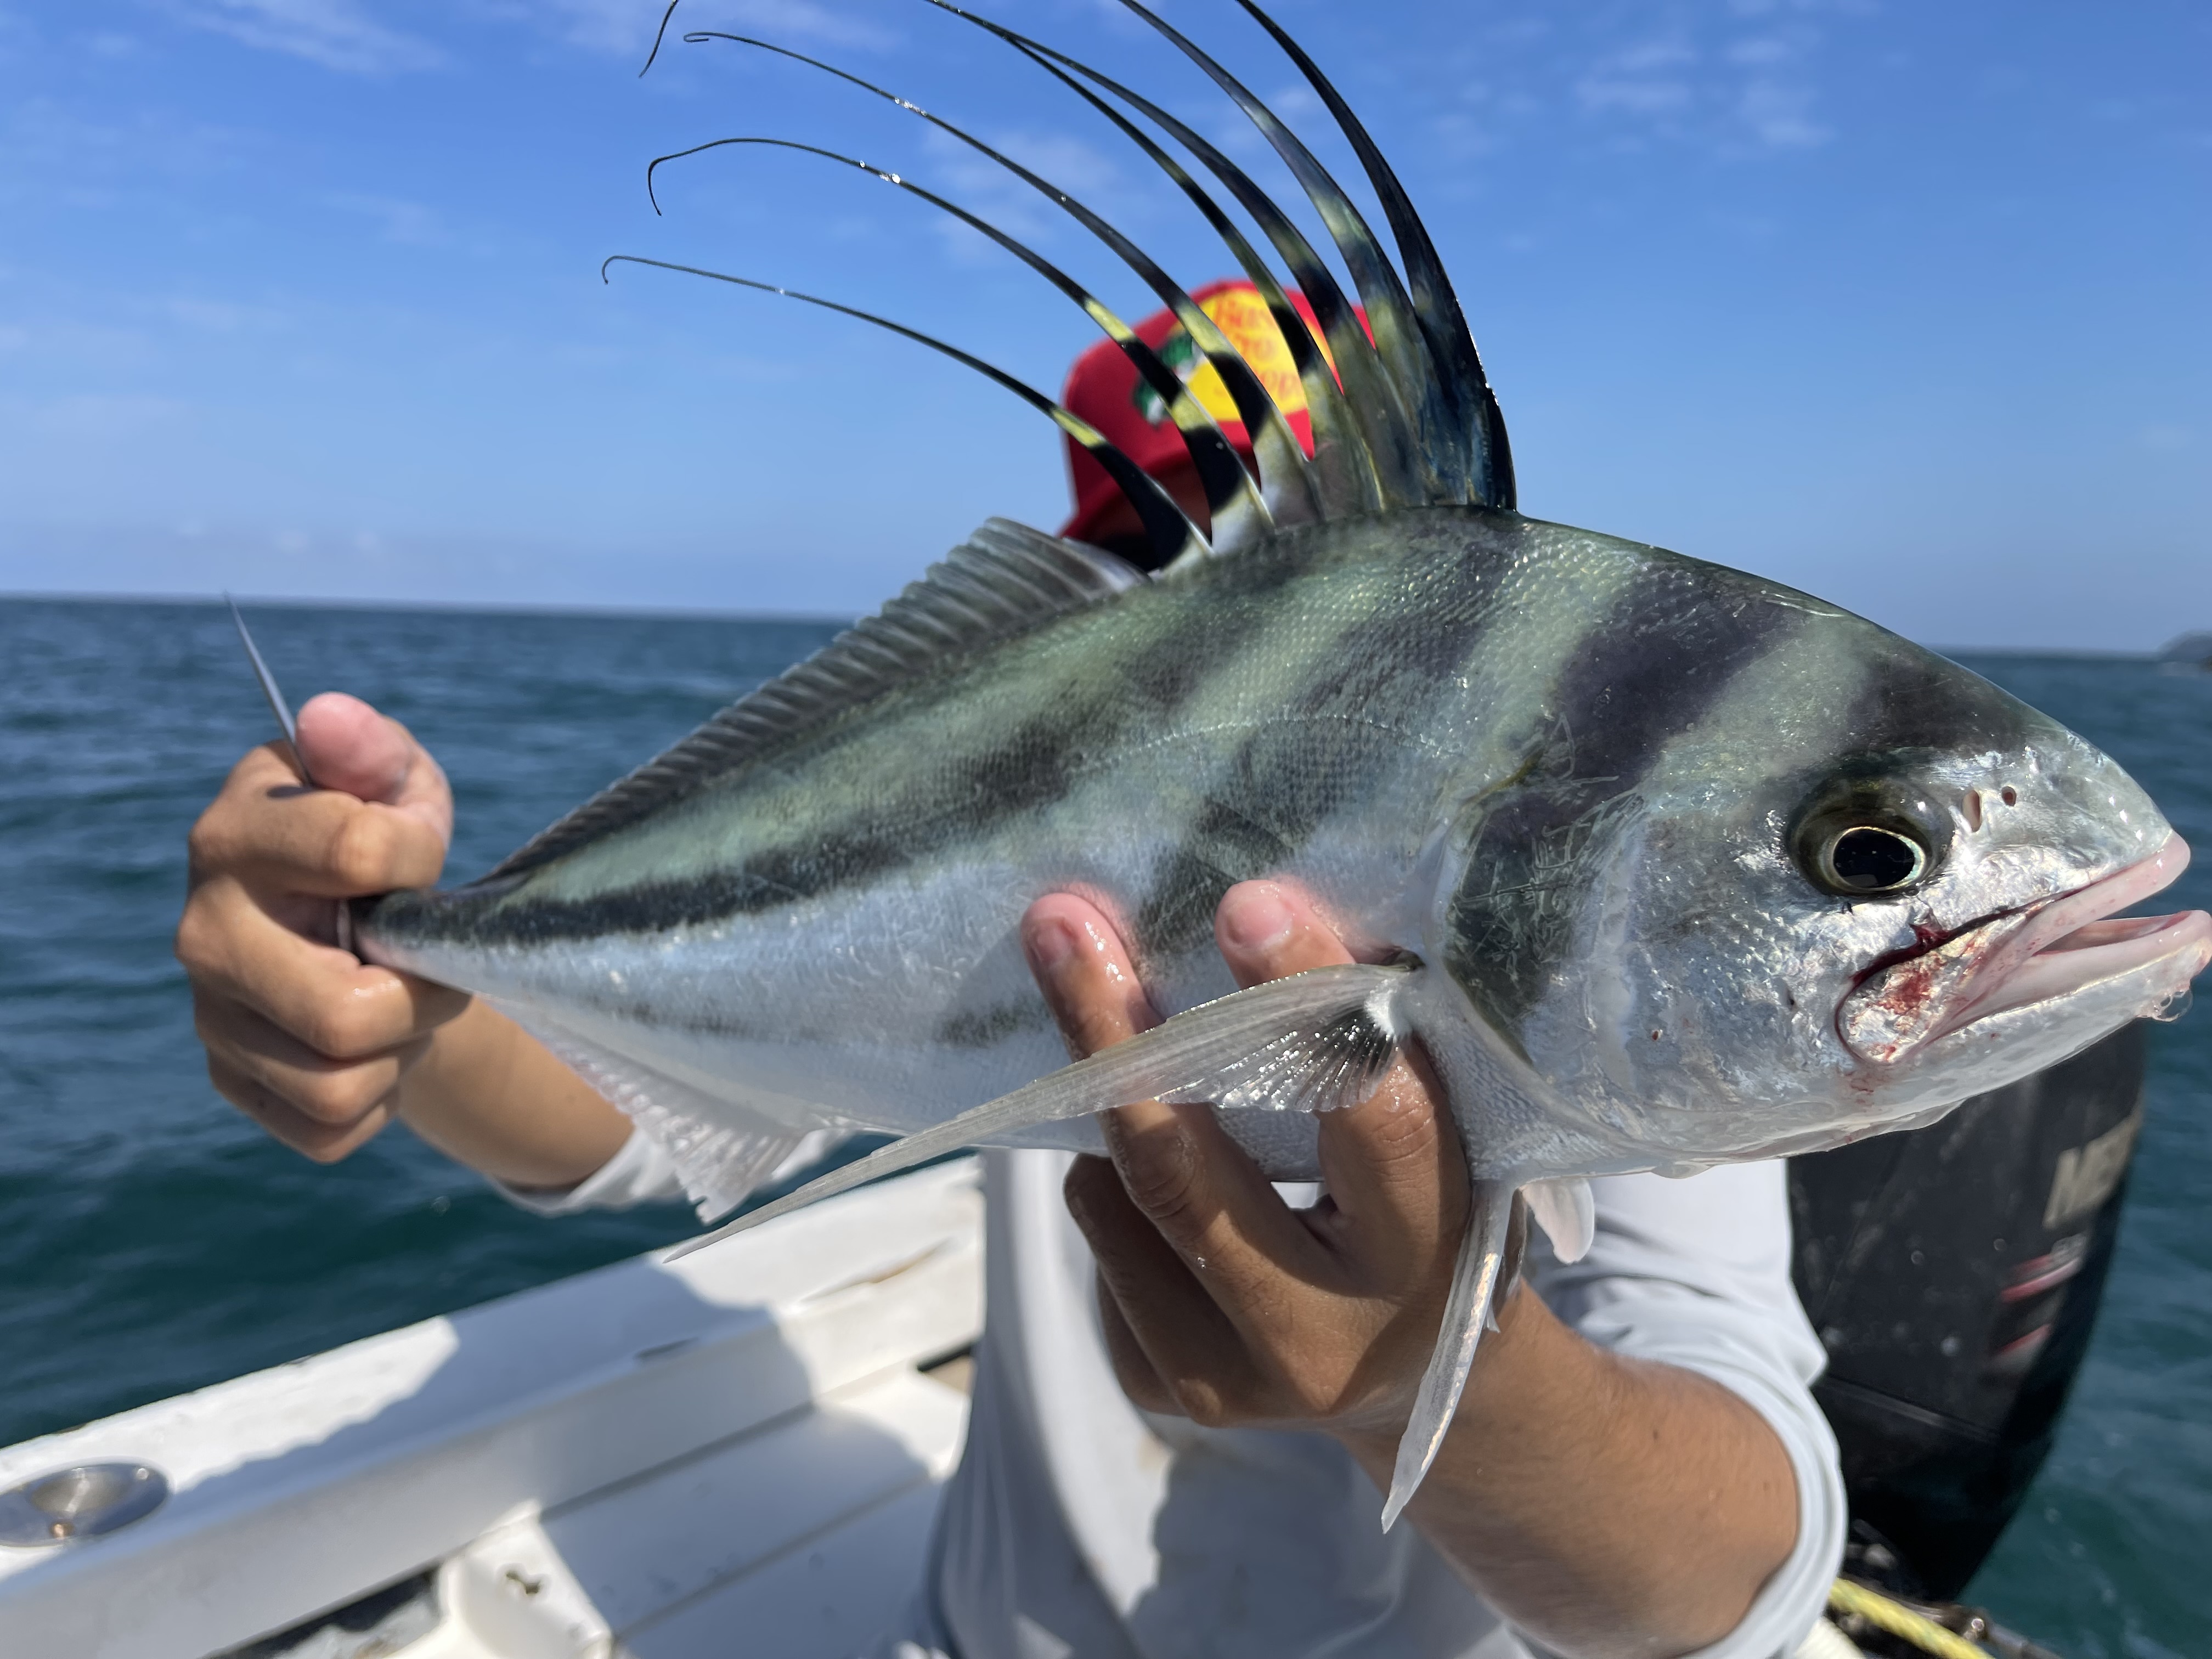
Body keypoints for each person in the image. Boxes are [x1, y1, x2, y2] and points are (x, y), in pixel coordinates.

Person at [176, 283, 1846, 1659]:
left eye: (1280, 537)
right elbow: (661, 1117)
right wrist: (395, 1009)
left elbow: (1730, 1565)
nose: (1195, 639)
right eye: (1133, 582)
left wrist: (1429, 1381)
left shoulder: (1615, 814)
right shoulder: (1039, 764)